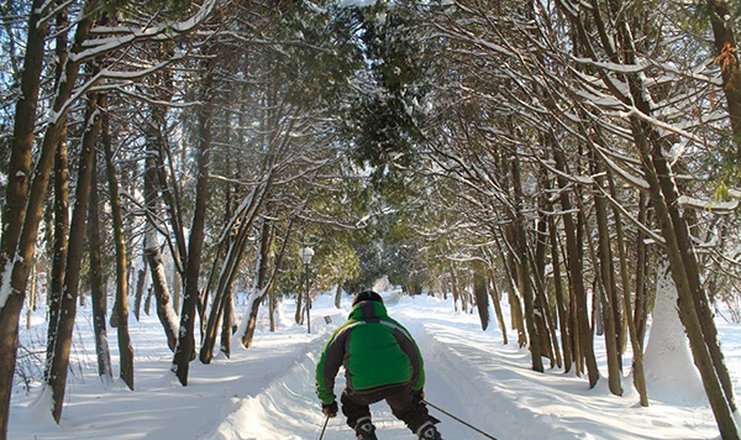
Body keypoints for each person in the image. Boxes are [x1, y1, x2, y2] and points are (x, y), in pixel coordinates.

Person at [315, 290, 443, 440]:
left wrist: (327, 401)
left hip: (362, 388)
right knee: (409, 410)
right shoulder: (393, 326)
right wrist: (416, 389)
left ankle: (364, 428)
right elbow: (416, 358)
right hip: (399, 382)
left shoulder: (345, 331)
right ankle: (427, 430)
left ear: (354, 307)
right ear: (381, 306)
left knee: (351, 403)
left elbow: (325, 368)